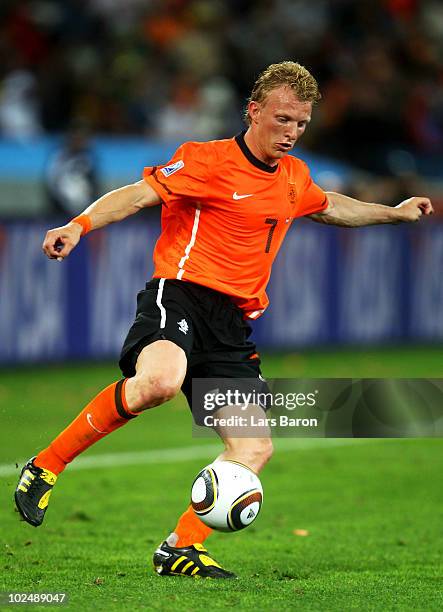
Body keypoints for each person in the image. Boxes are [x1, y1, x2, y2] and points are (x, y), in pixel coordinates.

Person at [14, 61, 433, 579]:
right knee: (159, 383)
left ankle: (179, 548)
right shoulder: (206, 161)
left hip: (232, 324)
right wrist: (79, 225)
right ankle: (45, 466)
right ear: (253, 111)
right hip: (181, 294)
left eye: (301, 124)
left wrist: (391, 212)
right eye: (282, 119)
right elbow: (138, 194)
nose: (292, 133)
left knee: (255, 448)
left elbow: (329, 206)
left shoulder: (294, 177)